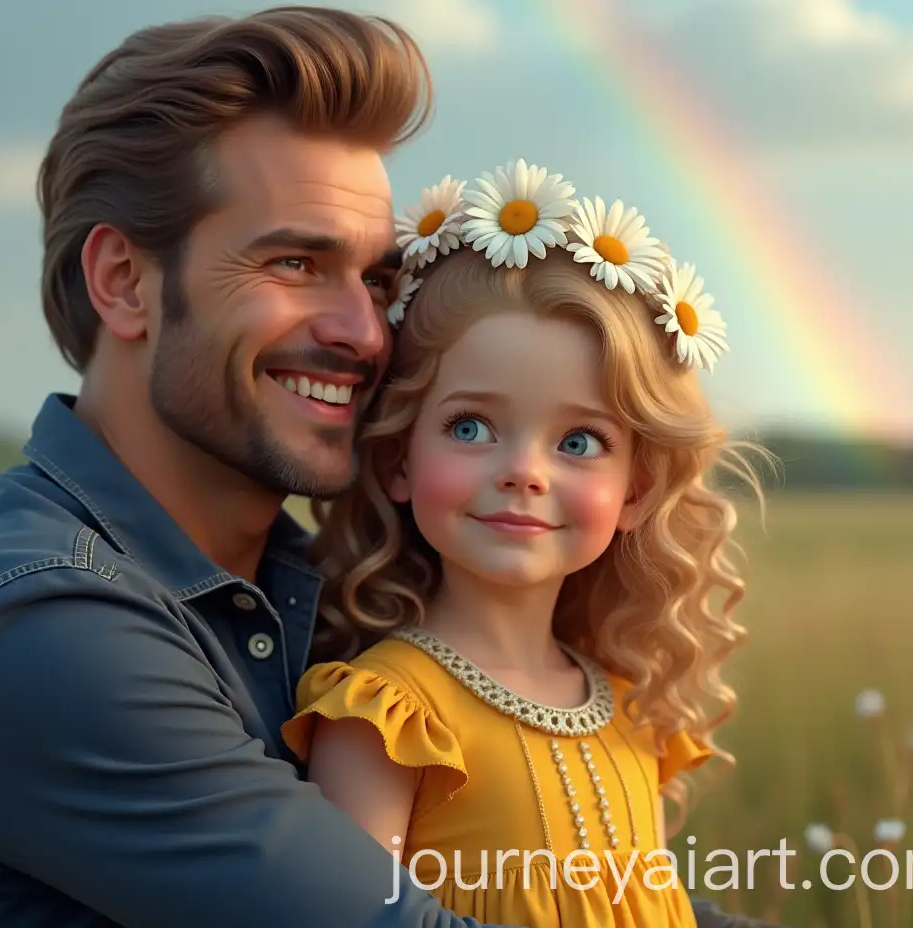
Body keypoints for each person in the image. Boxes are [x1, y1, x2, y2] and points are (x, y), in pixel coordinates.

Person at [0, 6, 781, 926]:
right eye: (293, 264)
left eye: (373, 278)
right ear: (123, 281)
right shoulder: (33, 619)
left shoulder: (300, 589)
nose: (364, 332)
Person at [280, 160, 769, 927]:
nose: (523, 474)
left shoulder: (627, 708)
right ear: (398, 458)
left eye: (579, 440)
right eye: (470, 427)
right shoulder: (385, 715)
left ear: (635, 490)